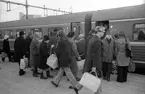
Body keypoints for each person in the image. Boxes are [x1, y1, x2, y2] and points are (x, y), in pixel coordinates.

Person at [83, 26, 105, 94]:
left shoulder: (92, 38)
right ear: (98, 32)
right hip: (96, 63)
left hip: (91, 61)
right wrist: (94, 66)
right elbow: (94, 54)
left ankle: (78, 87)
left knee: (96, 79)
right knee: (96, 79)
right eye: (103, 32)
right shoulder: (97, 41)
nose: (104, 33)